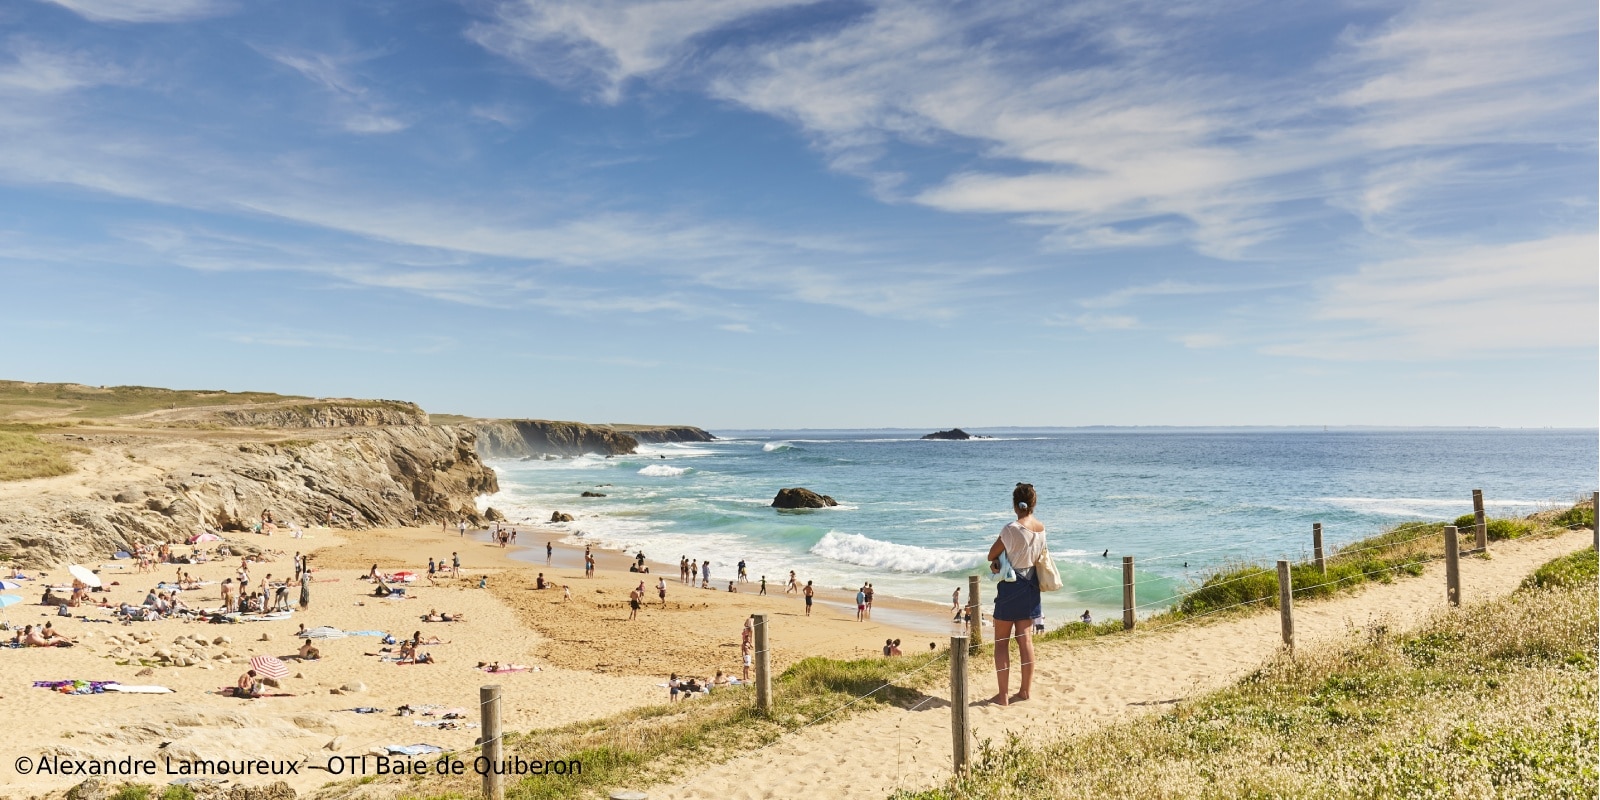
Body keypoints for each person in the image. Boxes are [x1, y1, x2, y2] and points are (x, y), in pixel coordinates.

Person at [986, 482, 1046, 706]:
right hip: (1031, 585)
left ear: (1015, 505)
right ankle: (1025, 691)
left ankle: (1002, 696)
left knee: (1001, 643)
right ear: (1033, 503)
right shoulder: (1041, 528)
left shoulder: (1011, 528)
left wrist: (998, 562)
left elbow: (991, 554)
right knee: (1026, 641)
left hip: (1012, 585)